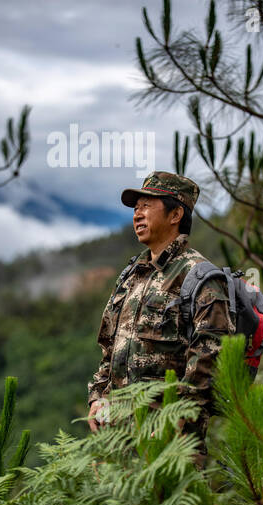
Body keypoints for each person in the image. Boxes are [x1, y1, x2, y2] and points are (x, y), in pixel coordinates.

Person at [87, 172, 234, 463]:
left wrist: (174, 422)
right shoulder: (132, 275)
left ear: (176, 214)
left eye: (146, 206)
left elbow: (209, 359)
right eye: (135, 208)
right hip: (117, 442)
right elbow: (110, 347)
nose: (137, 215)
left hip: (170, 446)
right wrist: (97, 396)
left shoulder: (200, 276)